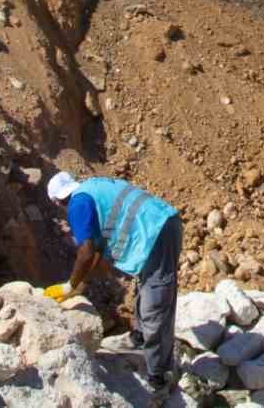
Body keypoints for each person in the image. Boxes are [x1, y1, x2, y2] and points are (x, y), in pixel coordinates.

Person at [47, 172, 182, 403]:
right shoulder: (91, 189)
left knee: (156, 302)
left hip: (156, 233)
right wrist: (83, 282)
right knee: (146, 286)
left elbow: (87, 251)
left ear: (59, 201)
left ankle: (159, 376)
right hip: (159, 226)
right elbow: (99, 253)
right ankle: (139, 338)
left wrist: (70, 285)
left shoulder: (78, 204)